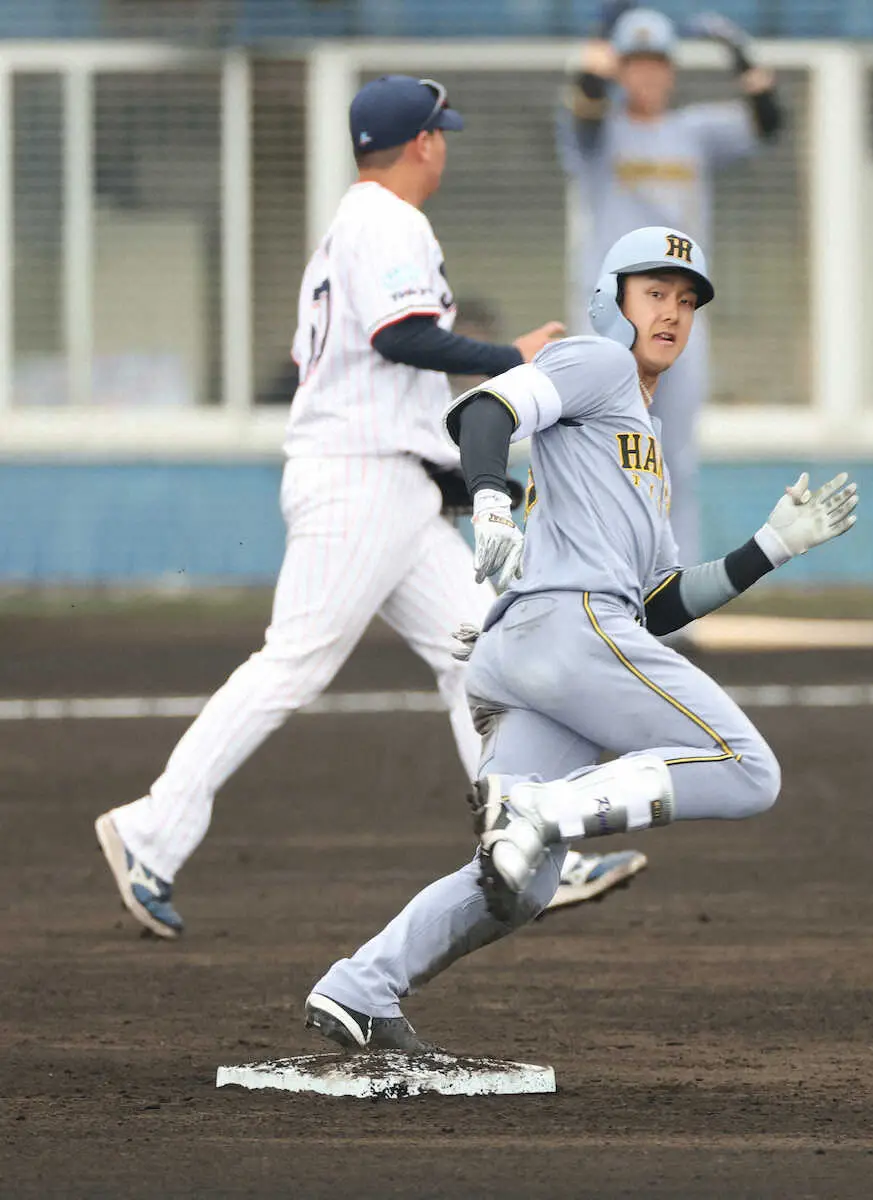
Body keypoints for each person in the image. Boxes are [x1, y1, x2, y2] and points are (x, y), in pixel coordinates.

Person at [95, 74, 644, 938]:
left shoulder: (357, 227)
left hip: (382, 478)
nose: (445, 145)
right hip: (357, 479)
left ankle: (534, 846)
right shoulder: (387, 221)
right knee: (294, 665)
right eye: (442, 133)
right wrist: (512, 355)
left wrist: (457, 483)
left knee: (483, 656)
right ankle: (150, 832)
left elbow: (388, 384)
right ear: (422, 143)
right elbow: (401, 339)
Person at [301, 225, 857, 1052]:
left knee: (519, 886)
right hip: (568, 630)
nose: (671, 312)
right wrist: (489, 498)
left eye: (685, 301)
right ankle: (539, 810)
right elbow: (486, 409)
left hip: (538, 649)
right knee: (748, 771)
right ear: (612, 301)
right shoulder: (598, 363)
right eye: (654, 293)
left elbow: (659, 604)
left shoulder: (644, 440)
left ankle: (360, 986)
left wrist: (764, 551)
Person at [558, 5, 783, 565]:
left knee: (675, 459)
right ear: (620, 70)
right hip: (613, 318)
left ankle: (670, 592)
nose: (647, 75)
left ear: (672, 72)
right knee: (602, 451)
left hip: (678, 319)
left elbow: (768, 122)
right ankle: (598, 583)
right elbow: (586, 97)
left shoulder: (695, 132)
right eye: (635, 64)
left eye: (657, 63)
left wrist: (744, 58)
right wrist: (599, 38)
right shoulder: (599, 132)